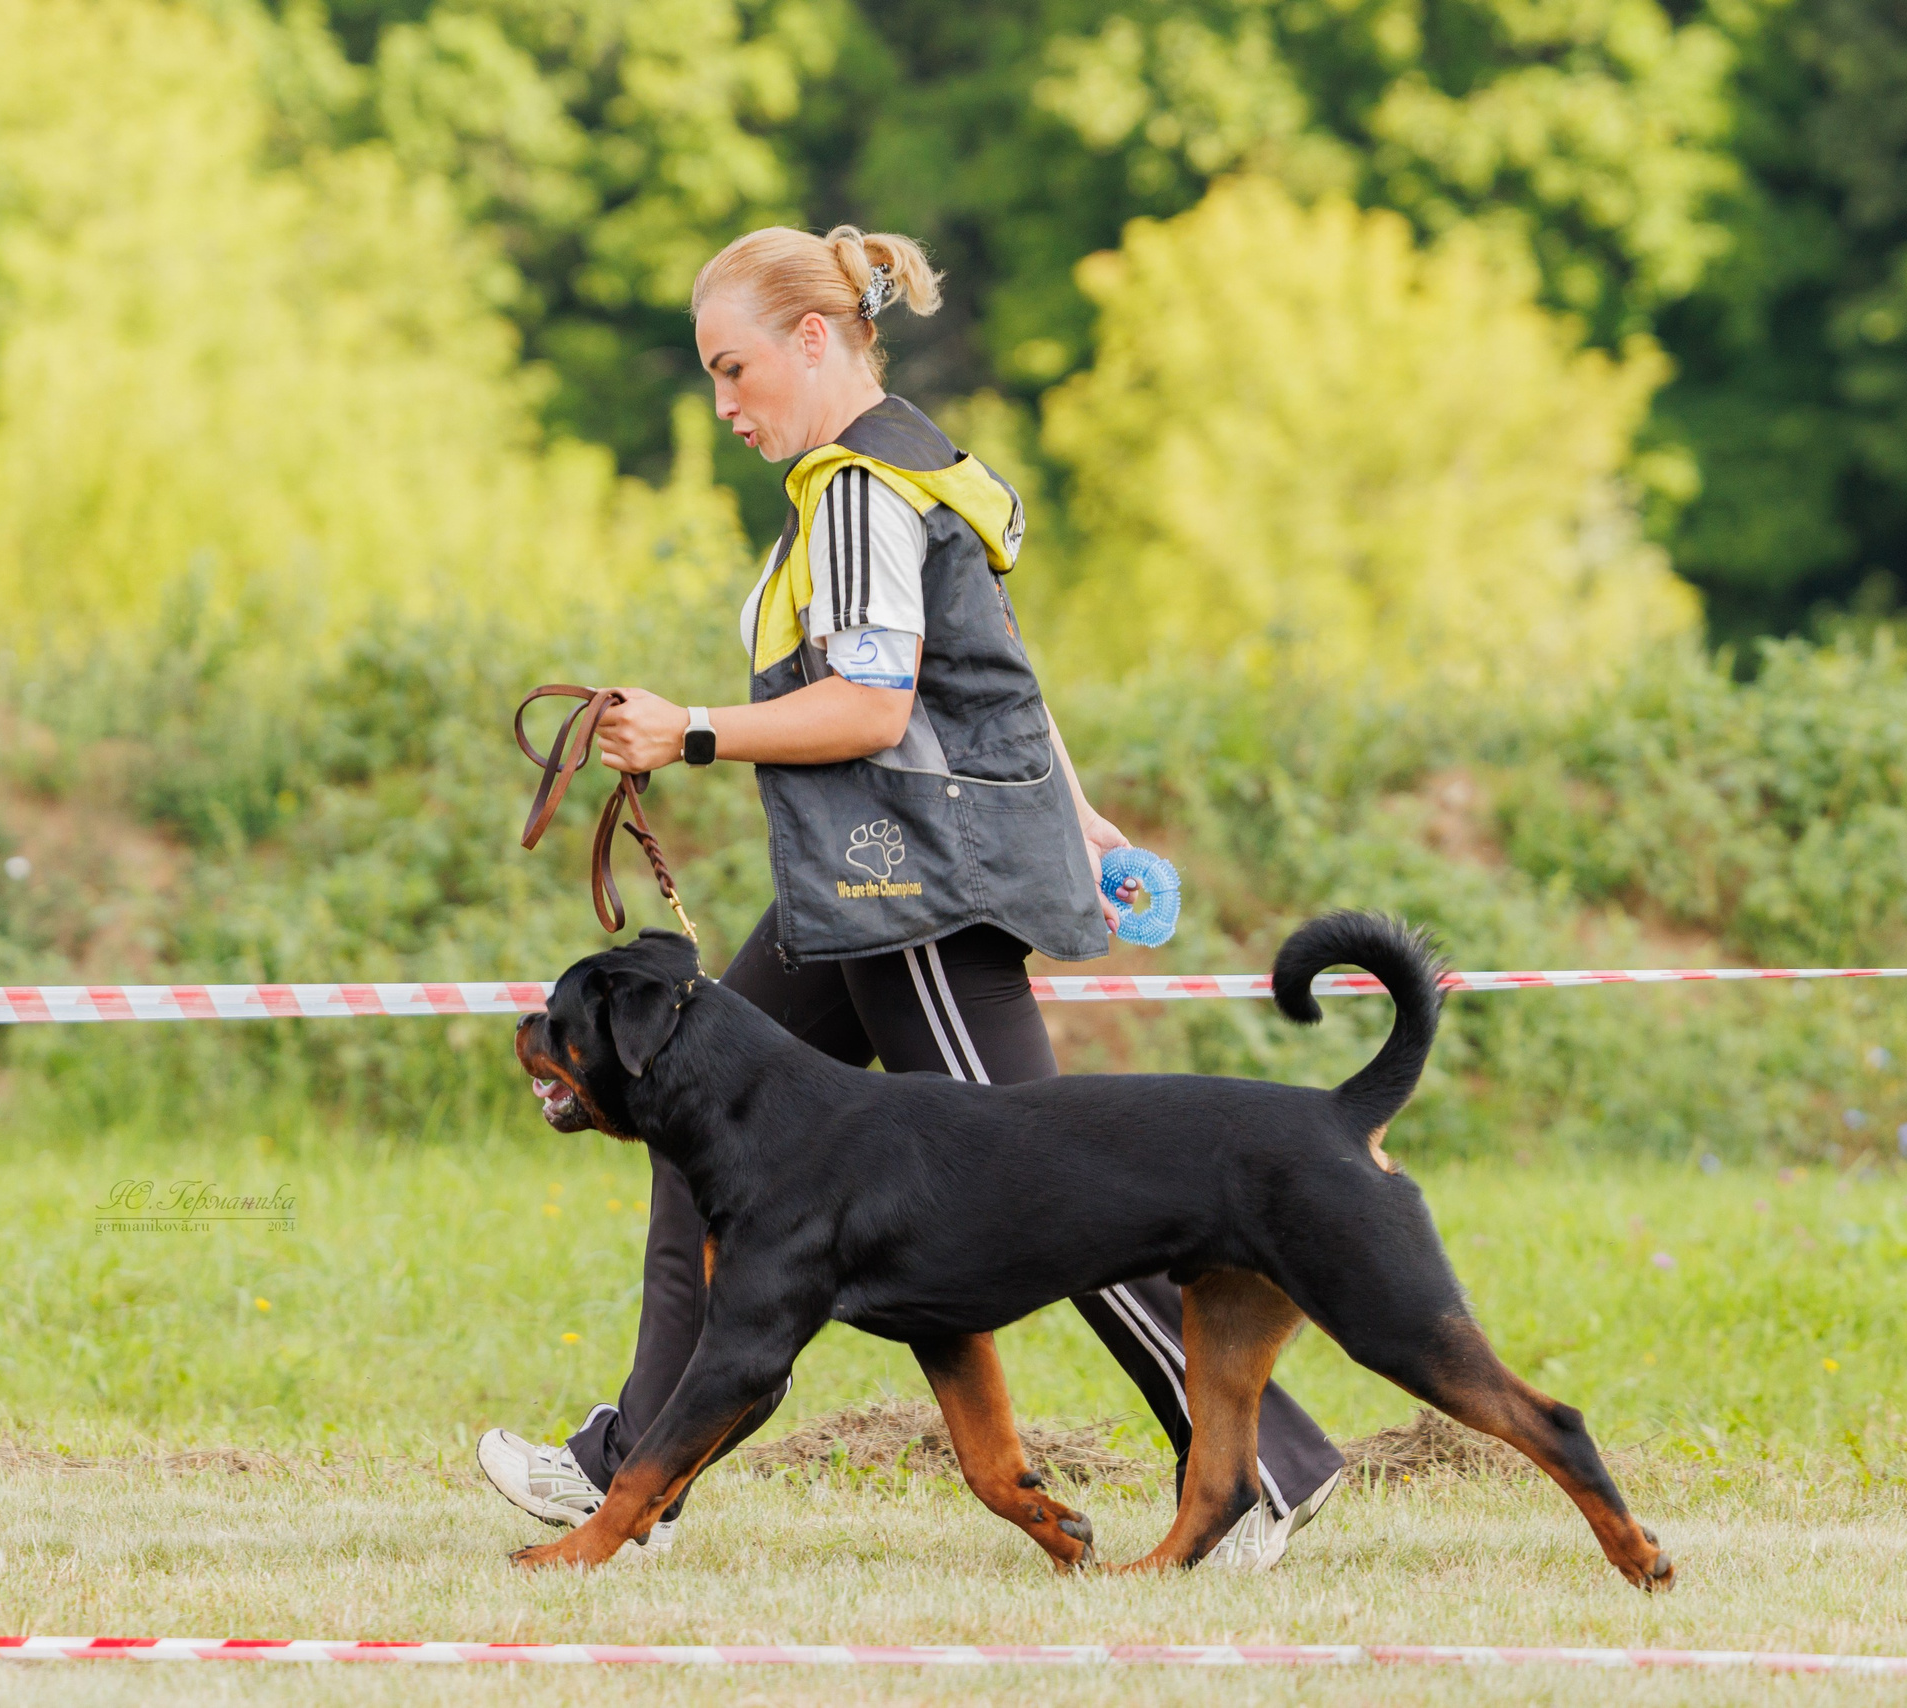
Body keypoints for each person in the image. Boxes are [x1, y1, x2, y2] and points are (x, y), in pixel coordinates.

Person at [479, 225, 1348, 1566]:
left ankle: (1257, 1468)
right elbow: (998, 678)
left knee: (1057, 1190)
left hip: (916, 890)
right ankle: (632, 1483)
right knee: (689, 1131)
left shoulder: (858, 493)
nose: (723, 406)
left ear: (815, 339)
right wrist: (1082, 815)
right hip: (857, 887)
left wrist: (689, 731)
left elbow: (879, 707)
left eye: (735, 368)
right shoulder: (903, 465)